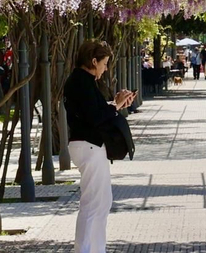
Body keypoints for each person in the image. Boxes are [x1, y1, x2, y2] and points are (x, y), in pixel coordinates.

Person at [63, 39, 135, 253]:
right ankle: (85, 250)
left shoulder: (81, 81)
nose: (105, 69)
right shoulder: (82, 81)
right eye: (103, 63)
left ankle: (96, 249)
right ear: (93, 61)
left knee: (101, 203)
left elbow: (92, 111)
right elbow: (94, 117)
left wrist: (115, 104)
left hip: (89, 145)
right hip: (90, 145)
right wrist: (117, 106)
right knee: (93, 204)